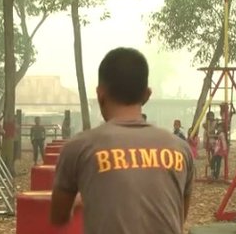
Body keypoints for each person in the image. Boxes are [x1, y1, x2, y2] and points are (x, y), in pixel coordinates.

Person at [50, 47, 194, 234]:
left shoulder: (79, 148)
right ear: (147, 95)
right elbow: (178, 216)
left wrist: (84, 197)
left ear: (100, 95)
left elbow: (58, 216)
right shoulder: (180, 149)